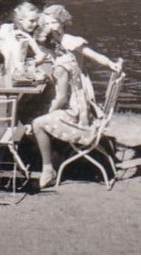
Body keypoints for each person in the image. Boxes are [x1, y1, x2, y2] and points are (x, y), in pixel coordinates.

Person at [29, 21, 97, 190]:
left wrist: (49, 111)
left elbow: (61, 97)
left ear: (46, 49)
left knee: (37, 122)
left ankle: (48, 169)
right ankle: (55, 153)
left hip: (75, 114)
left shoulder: (60, 66)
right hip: (81, 107)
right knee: (40, 115)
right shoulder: (67, 57)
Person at [41, 5, 121, 74]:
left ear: (62, 22)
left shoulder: (71, 41)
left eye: (54, 23)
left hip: (74, 80)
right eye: (47, 24)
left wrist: (110, 63)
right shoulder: (47, 40)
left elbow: (94, 55)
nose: (50, 26)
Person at [0, 1, 46, 76]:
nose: (35, 24)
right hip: (8, 70)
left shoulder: (33, 34)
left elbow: (40, 54)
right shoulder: (10, 31)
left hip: (24, 69)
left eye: (36, 21)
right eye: (31, 21)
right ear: (20, 19)